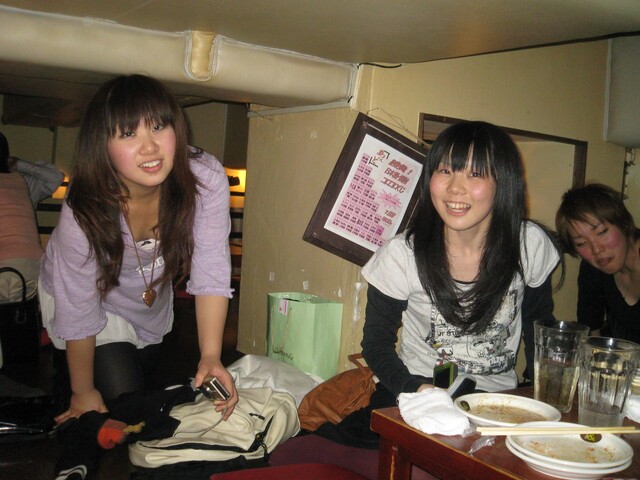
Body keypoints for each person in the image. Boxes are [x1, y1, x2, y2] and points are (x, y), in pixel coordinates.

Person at [311, 120, 562, 451]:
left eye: (475, 174)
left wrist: (536, 393)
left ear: (503, 183)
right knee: (317, 453)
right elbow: (375, 344)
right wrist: (418, 391)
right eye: (445, 171)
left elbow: (538, 328)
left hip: (496, 403)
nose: (455, 188)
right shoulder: (402, 254)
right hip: (415, 392)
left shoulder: (529, 244)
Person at [38, 74, 238, 425]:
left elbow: (211, 269)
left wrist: (211, 356)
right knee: (124, 400)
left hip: (148, 297)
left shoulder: (204, 178)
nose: (150, 148)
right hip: (86, 295)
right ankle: (66, 380)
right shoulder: (86, 208)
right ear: (102, 144)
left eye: (159, 127)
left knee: (140, 380)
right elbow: (78, 303)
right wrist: (82, 390)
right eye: (129, 133)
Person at [556, 183, 640, 342]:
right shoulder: (592, 270)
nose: (596, 249)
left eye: (602, 232)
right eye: (581, 243)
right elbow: (590, 332)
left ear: (623, 223)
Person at [0, 131, 61, 302]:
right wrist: (19, 164)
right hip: (37, 267)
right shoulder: (22, 183)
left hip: (5, 269)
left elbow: (55, 178)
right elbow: (54, 177)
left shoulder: (23, 183)